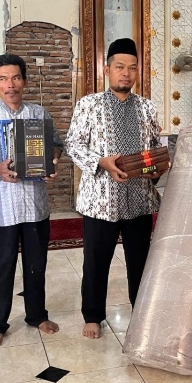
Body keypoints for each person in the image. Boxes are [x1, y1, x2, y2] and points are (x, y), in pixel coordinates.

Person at [66, 38, 169, 339]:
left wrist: (158, 167)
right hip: (100, 201)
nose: (126, 73)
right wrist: (101, 162)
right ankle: (92, 316)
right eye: (120, 67)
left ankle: (141, 312)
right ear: (107, 69)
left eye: (132, 68)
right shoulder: (89, 105)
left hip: (139, 199)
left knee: (140, 262)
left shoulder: (147, 108)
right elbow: (73, 144)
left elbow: (153, 149)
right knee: (96, 262)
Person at [0, 53, 63, 347]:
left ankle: (37, 315)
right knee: (1, 267)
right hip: (1, 207)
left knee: (36, 265)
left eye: (16, 78)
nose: (11, 84)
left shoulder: (39, 114)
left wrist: (52, 162)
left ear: (25, 81)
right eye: (3, 79)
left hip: (35, 206)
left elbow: (56, 145)